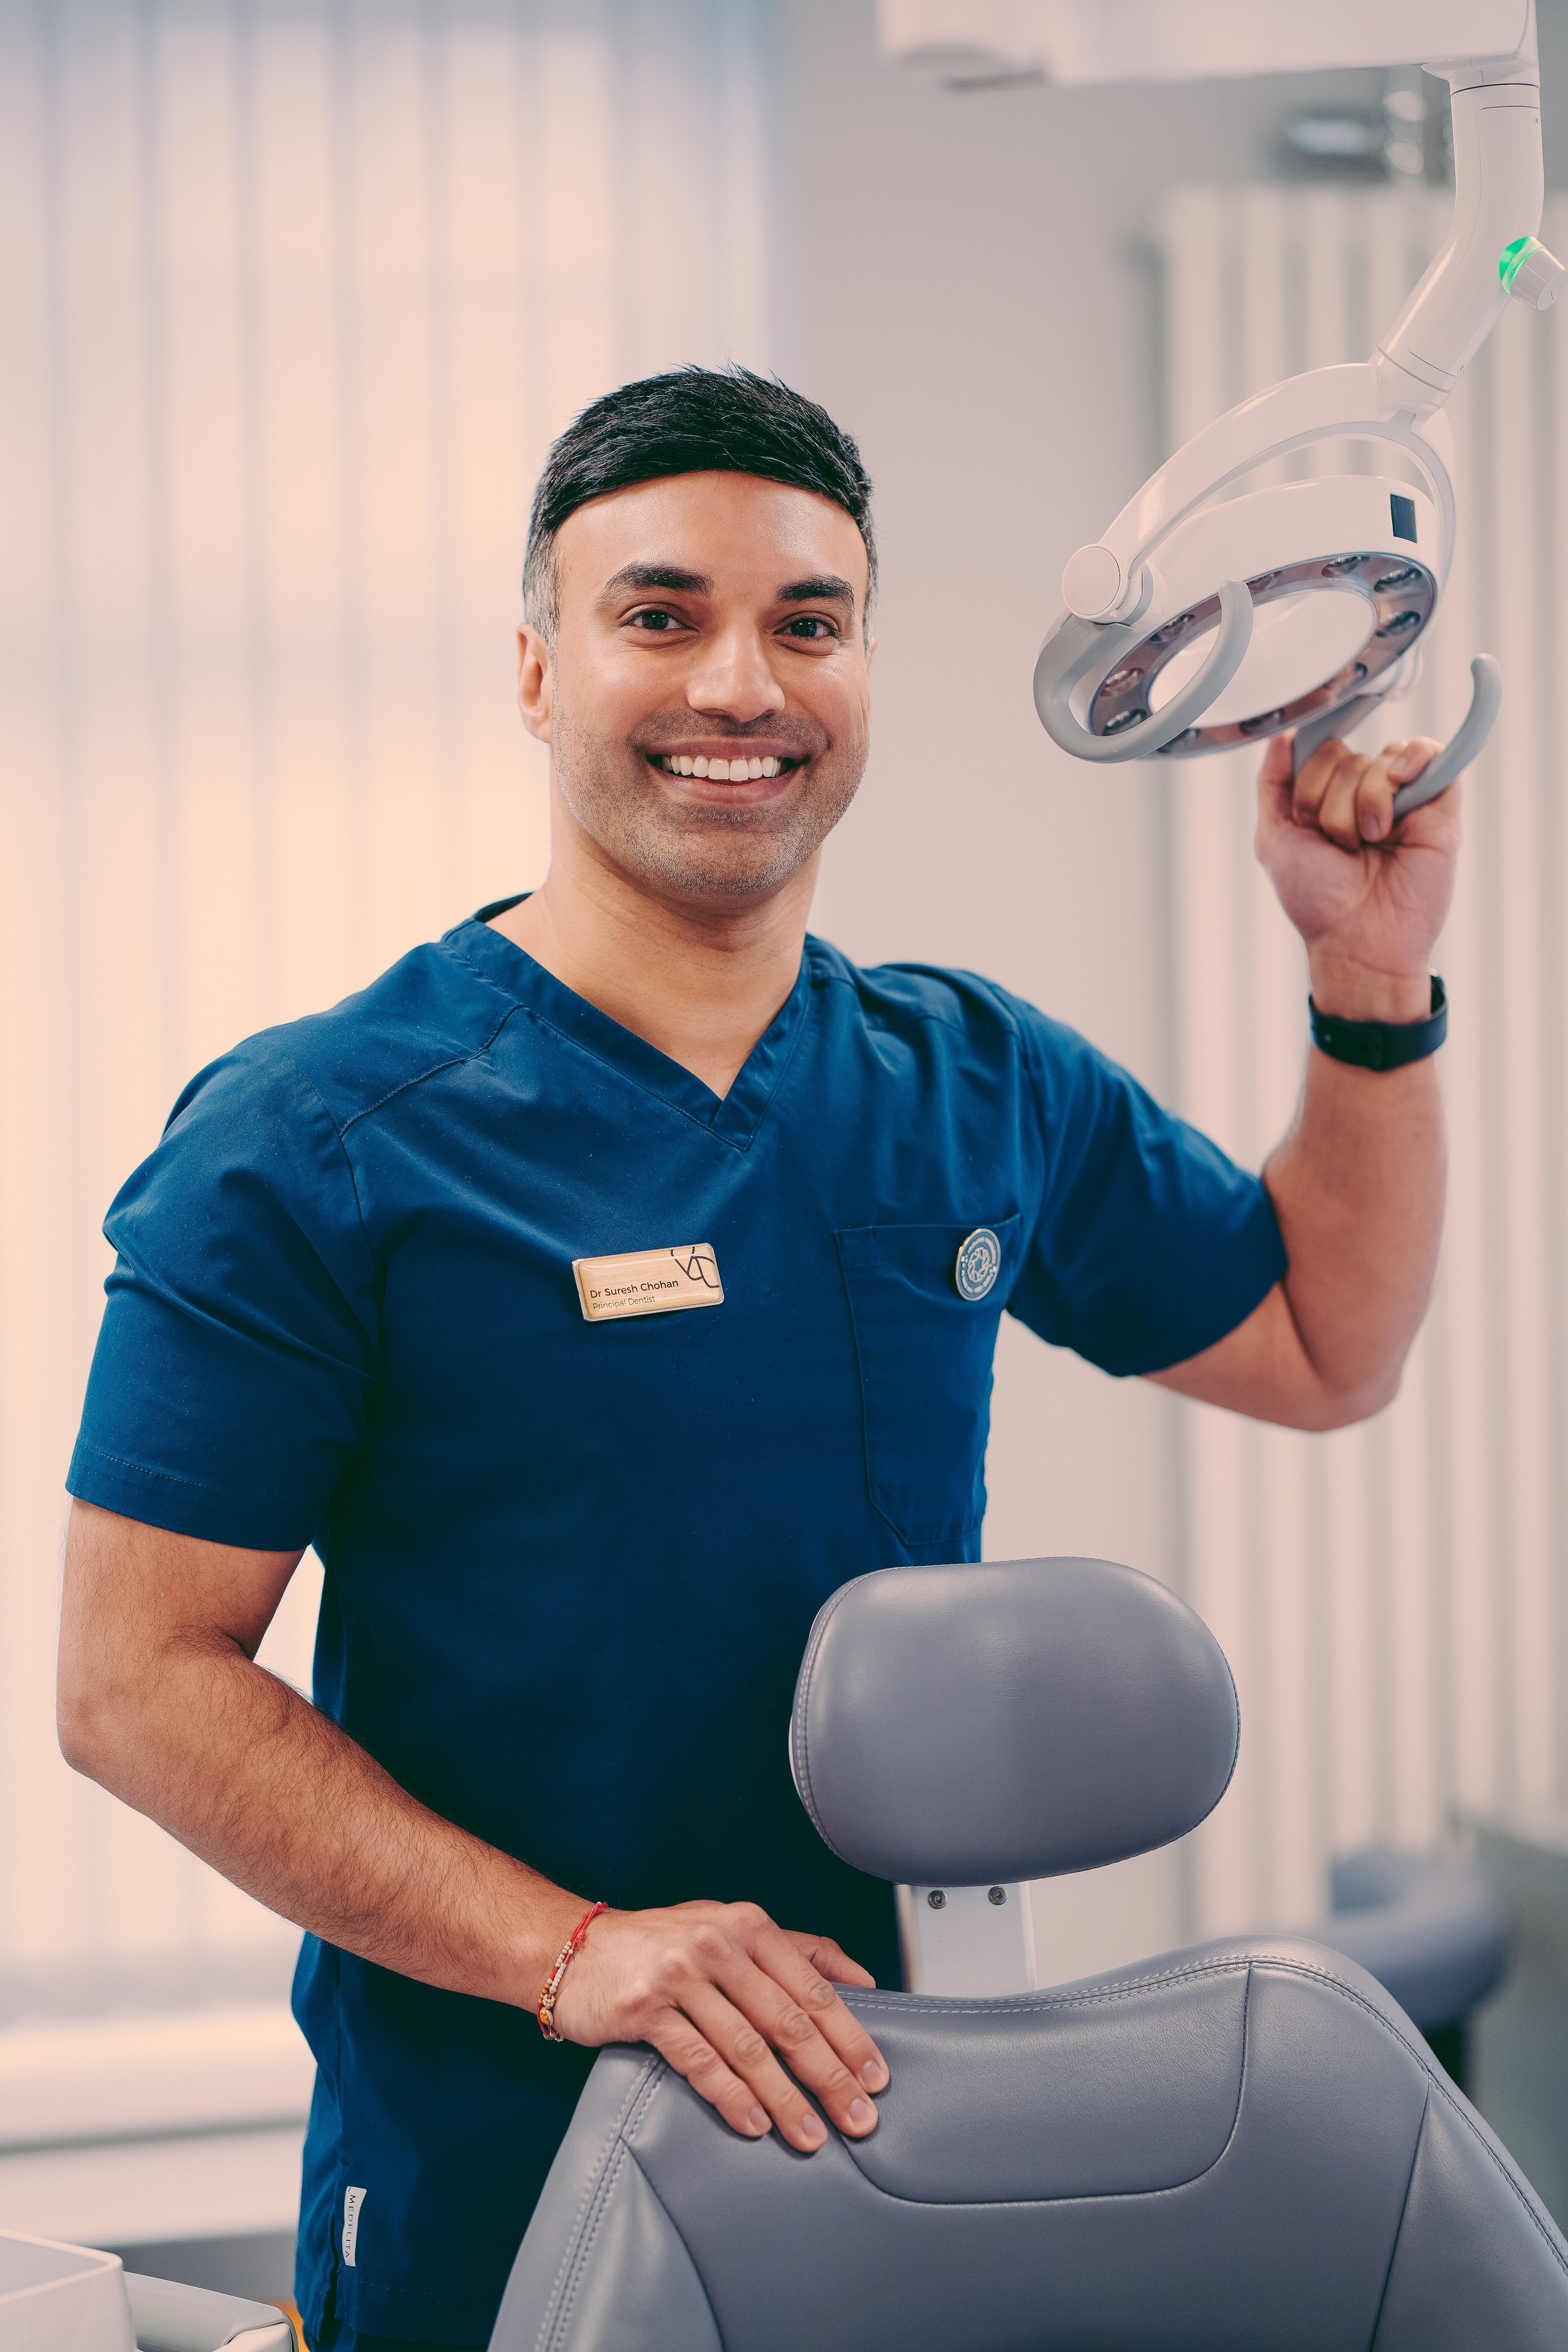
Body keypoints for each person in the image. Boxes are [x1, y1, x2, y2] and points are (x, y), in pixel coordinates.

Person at [56, 366, 1458, 2352]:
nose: (741, 683)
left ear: (866, 674)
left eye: (808, 624)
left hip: (901, 2135)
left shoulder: (968, 1080)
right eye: (660, 614)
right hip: (501, 2165)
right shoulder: (315, 1140)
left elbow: (1328, 1346)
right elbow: (131, 1687)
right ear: (538, 672)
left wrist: (1368, 981)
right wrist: (579, 1955)